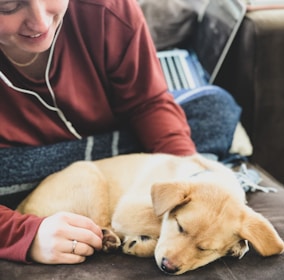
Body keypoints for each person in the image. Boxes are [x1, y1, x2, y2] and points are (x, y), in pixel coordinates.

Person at [0, 0, 199, 265]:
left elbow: (148, 103)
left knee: (213, 107)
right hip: (15, 161)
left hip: (94, 155)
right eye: (9, 6)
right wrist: (27, 234)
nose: (40, 22)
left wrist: (192, 180)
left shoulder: (110, 8)